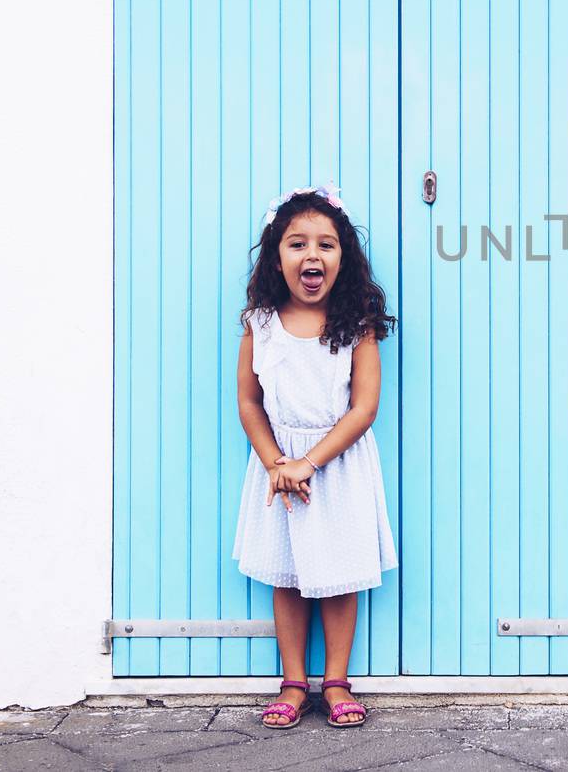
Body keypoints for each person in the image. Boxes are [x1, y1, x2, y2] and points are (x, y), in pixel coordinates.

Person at [231, 183, 398, 729]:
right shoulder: (260, 324)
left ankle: (337, 681)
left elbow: (364, 408)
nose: (311, 255)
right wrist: (278, 463)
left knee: (339, 573)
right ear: (277, 259)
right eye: (297, 244)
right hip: (279, 467)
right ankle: (293, 681)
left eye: (326, 245)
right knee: (288, 573)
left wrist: (311, 462)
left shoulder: (357, 325)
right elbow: (250, 403)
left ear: (342, 258)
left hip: (337, 462)